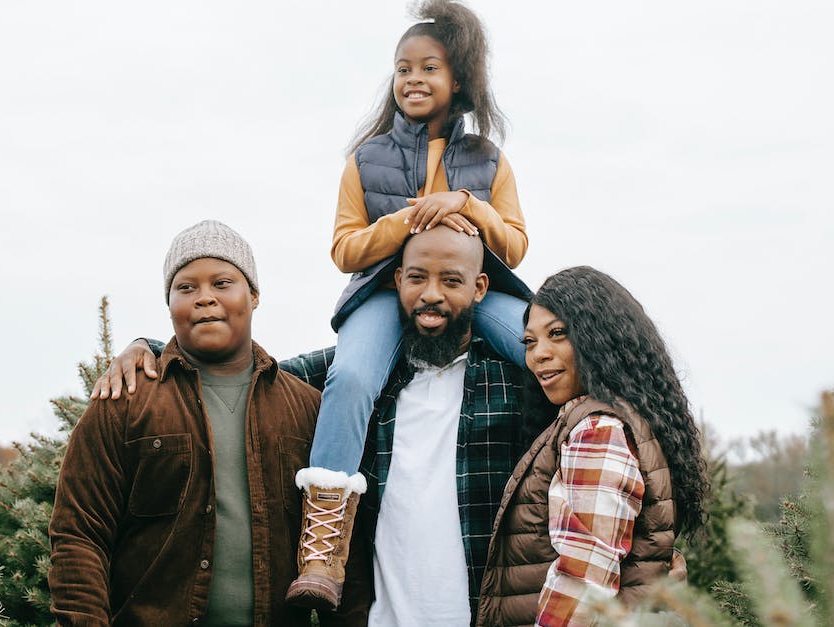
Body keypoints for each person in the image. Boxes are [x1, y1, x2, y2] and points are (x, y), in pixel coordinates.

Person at [95, 226, 528, 624]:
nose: (431, 295)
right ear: (398, 283)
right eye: (417, 278)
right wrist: (149, 348)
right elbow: (252, 373)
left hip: (482, 614)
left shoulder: (513, 384)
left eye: (451, 281)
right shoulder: (361, 378)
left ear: (479, 288)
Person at [291, 0, 531, 608]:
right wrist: (399, 224)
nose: (414, 79)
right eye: (403, 68)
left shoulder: (489, 161)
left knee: (546, 346)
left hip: (472, 295)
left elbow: (517, 245)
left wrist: (470, 206)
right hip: (382, 292)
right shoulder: (365, 159)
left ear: (459, 81)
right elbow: (345, 249)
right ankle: (323, 549)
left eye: (430, 68)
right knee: (350, 376)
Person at [48, 220, 365, 626]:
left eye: (221, 283)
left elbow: (346, 556)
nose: (204, 299)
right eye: (186, 288)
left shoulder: (306, 409)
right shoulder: (124, 402)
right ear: (169, 303)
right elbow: (79, 535)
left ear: (252, 296)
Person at [476, 267, 709, 626]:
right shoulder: (626, 418)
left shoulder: (596, 431)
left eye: (557, 334)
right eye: (530, 342)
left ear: (598, 337)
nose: (539, 354)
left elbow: (582, 584)